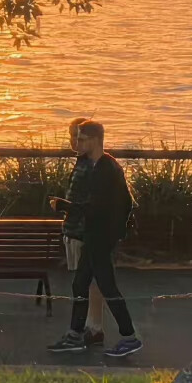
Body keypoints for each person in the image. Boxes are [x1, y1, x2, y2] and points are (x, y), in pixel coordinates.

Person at [47, 119, 142, 357]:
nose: (75, 143)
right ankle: (75, 334)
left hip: (100, 238)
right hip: (93, 236)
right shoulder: (95, 165)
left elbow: (97, 207)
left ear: (94, 140)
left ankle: (129, 337)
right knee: (80, 284)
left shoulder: (107, 169)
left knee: (107, 286)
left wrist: (62, 206)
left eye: (80, 139)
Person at [59, 117, 106, 345]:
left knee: (86, 282)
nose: (73, 142)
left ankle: (85, 329)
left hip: (83, 232)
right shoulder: (85, 163)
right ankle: (92, 326)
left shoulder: (91, 165)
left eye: (78, 137)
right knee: (88, 281)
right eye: (71, 136)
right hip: (78, 230)